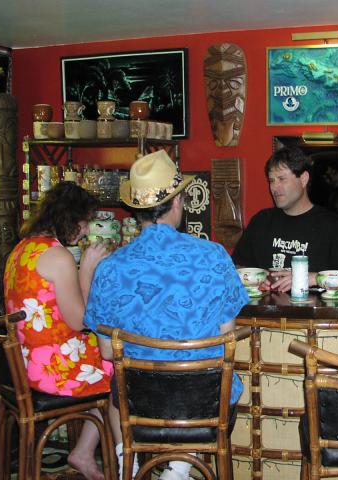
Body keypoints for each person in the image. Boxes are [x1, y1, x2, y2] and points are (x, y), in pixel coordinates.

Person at [84, 150, 249, 480]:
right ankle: (180, 465)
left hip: (138, 407)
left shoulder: (109, 268)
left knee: (119, 389)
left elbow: (106, 351)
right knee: (214, 378)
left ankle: (128, 462)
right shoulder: (214, 256)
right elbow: (225, 337)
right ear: (177, 203)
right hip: (203, 405)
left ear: (137, 211)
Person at [3, 182, 114, 480]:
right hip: (51, 370)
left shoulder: (21, 249)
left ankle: (85, 451)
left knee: (105, 360)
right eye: (85, 221)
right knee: (118, 368)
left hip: (22, 365)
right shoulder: (58, 256)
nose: (86, 230)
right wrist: (87, 270)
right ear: (71, 218)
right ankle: (104, 456)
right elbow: (80, 321)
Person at [232, 146, 338, 291]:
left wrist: (313, 278)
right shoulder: (261, 221)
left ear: (303, 179)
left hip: (314, 305)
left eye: (282, 179)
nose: (275, 187)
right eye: (271, 180)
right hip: (265, 305)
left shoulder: (331, 225)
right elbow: (235, 267)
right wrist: (255, 277)